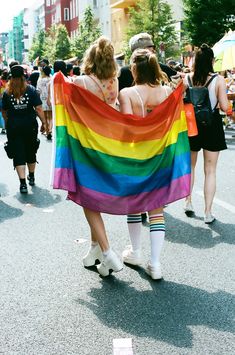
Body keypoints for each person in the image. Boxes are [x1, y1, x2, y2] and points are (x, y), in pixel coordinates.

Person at [118, 49, 172, 279]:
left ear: (134, 68)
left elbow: (128, 129)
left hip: (136, 155)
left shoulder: (127, 93)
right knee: (157, 209)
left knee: (134, 205)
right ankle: (156, 264)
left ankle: (136, 252)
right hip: (160, 154)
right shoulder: (167, 92)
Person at [72, 37, 123, 277]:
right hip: (109, 143)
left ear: (90, 59)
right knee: (95, 195)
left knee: (87, 198)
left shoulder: (81, 81)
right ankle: (94, 249)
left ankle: (107, 251)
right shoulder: (114, 81)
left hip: (88, 146)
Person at [183, 44, 229, 223]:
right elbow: (225, 107)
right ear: (211, 61)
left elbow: (179, 101)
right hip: (212, 124)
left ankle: (188, 202)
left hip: (192, 125)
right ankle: (208, 212)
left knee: (191, 167)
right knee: (210, 170)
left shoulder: (187, 78)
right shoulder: (218, 80)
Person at [1, 65, 46, 193]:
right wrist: (44, 123)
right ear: (23, 76)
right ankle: (31, 176)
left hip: (14, 126)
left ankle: (23, 184)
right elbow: (38, 108)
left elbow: (4, 111)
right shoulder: (31, 90)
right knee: (31, 151)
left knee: (18, 153)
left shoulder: (6, 92)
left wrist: (8, 122)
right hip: (30, 125)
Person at [36, 66, 52, 140]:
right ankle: (50, 129)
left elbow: (38, 91)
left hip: (42, 99)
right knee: (50, 116)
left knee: (45, 116)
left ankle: (47, 131)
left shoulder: (40, 80)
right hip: (51, 99)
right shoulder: (52, 79)